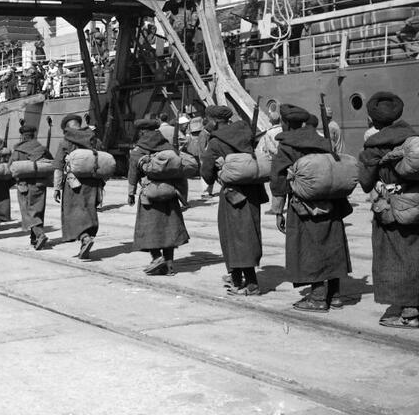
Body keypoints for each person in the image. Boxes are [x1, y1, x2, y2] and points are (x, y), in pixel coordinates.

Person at [268, 104, 352, 312]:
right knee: (332, 245)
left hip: (302, 205)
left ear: (285, 124)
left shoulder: (286, 146)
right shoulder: (323, 142)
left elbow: (278, 179)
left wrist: (278, 210)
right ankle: (336, 295)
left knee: (310, 248)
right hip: (331, 203)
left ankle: (317, 297)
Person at [358, 92, 419, 328]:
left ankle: (409, 310)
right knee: (414, 252)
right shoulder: (413, 140)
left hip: (392, 210)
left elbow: (364, 183)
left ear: (373, 119)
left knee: (396, 257)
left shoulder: (374, 147)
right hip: (415, 205)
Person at [200, 105, 269, 295]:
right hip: (253, 193)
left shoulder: (215, 142)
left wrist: (219, 173)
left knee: (232, 236)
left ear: (214, 121)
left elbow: (206, 173)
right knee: (250, 233)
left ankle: (248, 282)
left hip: (231, 194)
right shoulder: (245, 133)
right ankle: (239, 277)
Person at [128, 119, 190, 275]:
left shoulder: (139, 150)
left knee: (149, 229)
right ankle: (169, 266)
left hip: (150, 195)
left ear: (141, 132)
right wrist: (183, 195)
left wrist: (131, 192)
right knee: (169, 229)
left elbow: (133, 173)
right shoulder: (168, 147)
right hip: (170, 195)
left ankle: (157, 258)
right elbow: (179, 172)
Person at [52, 114, 103, 259]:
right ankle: (87, 240)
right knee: (90, 210)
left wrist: (56, 188)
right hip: (93, 182)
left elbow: (58, 166)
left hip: (73, 184)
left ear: (67, 127)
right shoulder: (93, 139)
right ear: (78, 125)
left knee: (72, 213)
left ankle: (84, 238)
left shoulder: (66, 142)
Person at [10, 124, 52, 250]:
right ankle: (33, 238)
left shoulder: (18, 150)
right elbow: (51, 162)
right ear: (33, 135)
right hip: (40, 185)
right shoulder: (42, 148)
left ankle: (40, 235)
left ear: (22, 136)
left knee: (27, 212)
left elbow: (10, 166)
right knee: (38, 211)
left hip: (24, 186)